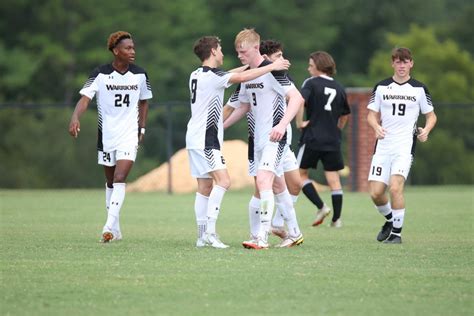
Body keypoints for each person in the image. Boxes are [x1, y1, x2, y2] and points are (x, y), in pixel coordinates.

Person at [186, 36, 290, 248]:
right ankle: (210, 233)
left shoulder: (196, 74)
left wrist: (249, 63)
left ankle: (201, 236)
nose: (224, 53)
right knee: (223, 182)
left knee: (204, 186)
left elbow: (232, 74)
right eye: (221, 49)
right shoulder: (215, 77)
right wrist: (273, 66)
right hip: (206, 138)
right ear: (214, 51)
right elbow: (242, 78)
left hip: (193, 136)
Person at [68, 31, 153, 242]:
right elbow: (85, 99)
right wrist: (75, 117)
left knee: (120, 178)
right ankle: (115, 229)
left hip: (128, 134)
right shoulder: (100, 74)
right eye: (127, 48)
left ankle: (107, 226)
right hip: (106, 135)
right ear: (116, 51)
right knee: (110, 182)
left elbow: (144, 101)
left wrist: (142, 127)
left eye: (133, 47)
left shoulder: (140, 74)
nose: (132, 51)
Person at [224, 29, 305, 249]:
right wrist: (221, 127)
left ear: (255, 48)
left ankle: (261, 237)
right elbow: (243, 106)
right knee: (278, 185)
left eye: (243, 51)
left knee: (263, 182)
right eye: (237, 52)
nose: (239, 56)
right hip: (256, 139)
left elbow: (297, 98)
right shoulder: (247, 77)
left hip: (275, 138)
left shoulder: (274, 72)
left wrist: (282, 124)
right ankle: (295, 234)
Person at [367, 47, 437, 244]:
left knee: (396, 188)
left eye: (405, 62)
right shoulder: (381, 87)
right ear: (392, 64)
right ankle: (390, 220)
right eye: (398, 62)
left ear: (411, 64)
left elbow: (431, 116)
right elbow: (371, 115)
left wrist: (426, 130)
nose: (401, 65)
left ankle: (396, 234)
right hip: (383, 146)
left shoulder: (419, 89)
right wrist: (375, 127)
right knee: (376, 193)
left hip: (404, 147)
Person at [296, 51, 350, 228]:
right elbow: (345, 115)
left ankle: (321, 206)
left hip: (312, 136)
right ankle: (337, 220)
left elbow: (298, 101)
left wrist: (299, 122)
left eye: (311, 65)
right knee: (333, 179)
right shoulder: (340, 88)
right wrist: (336, 129)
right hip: (332, 139)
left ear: (319, 66)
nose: (308, 68)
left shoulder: (311, 83)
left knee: (300, 175)